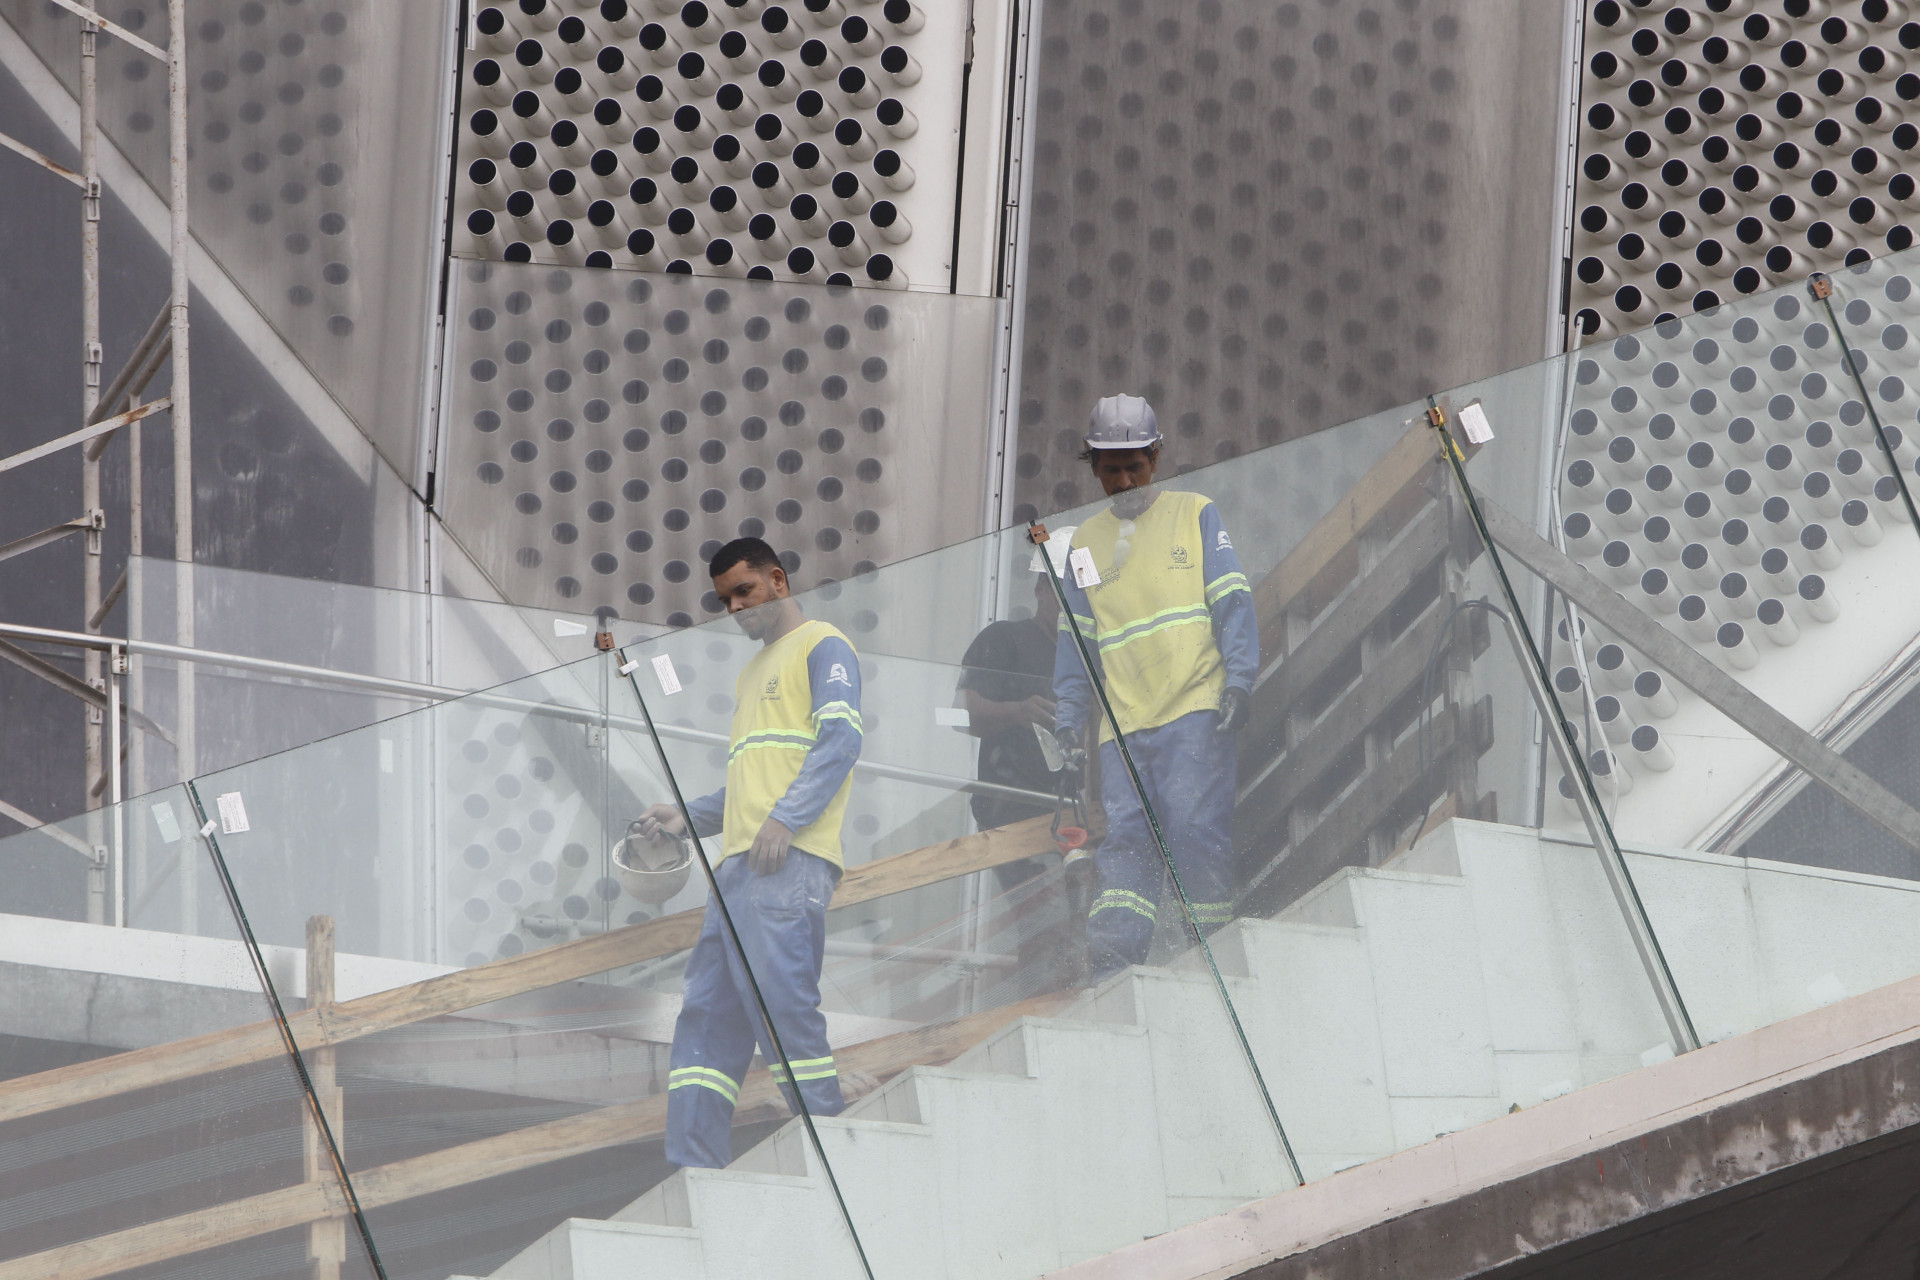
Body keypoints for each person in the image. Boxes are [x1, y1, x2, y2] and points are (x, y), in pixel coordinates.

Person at [635, 537, 863, 1169]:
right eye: (724, 600)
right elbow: (748, 788)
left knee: (781, 1002)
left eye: (744, 591)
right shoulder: (752, 671)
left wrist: (786, 820)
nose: (735, 607)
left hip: (785, 864)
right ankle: (694, 1165)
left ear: (779, 581)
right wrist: (686, 819)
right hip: (739, 869)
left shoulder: (824, 644)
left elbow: (840, 741)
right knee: (707, 1017)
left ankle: (833, 1149)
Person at [1049, 394, 1259, 984]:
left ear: (1156, 458)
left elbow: (1232, 603)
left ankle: (1213, 955)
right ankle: (1116, 969)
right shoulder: (1083, 545)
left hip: (1195, 710)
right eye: (1111, 468)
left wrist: (1240, 679)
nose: (1123, 480)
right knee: (1127, 847)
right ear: (1092, 466)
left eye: (1134, 466)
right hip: (1123, 729)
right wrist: (1069, 718)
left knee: (1194, 833)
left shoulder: (1196, 513)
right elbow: (1077, 643)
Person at [955, 567, 1061, 888]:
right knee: (1043, 916)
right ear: (1040, 590)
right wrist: (1019, 712)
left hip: (1075, 813)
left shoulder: (1091, 656)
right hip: (1013, 809)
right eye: (1064, 589)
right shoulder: (1006, 639)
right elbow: (960, 713)